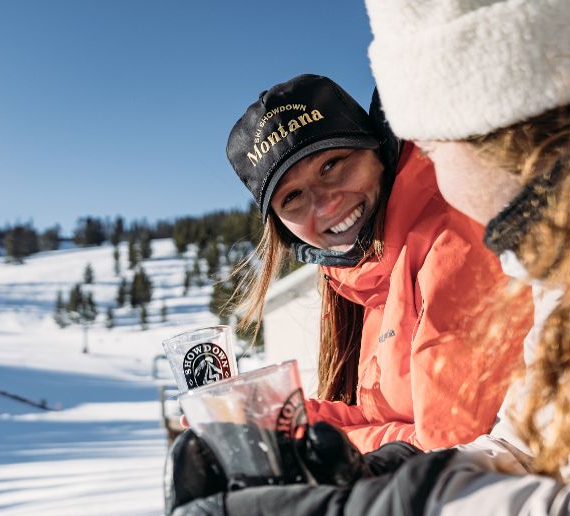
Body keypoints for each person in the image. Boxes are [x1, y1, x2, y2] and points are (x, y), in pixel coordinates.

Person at [152, 0, 570, 516]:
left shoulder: (473, 241)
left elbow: (467, 434)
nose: (433, 172)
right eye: (292, 199)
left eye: (428, 144)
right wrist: (348, 467)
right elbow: (531, 442)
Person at [226, 73, 530, 452]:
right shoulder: (371, 282)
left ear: (379, 151)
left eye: (331, 164)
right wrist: (274, 419)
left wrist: (315, 446)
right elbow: (386, 424)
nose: (324, 204)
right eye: (293, 197)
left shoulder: (452, 242)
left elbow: (449, 451)